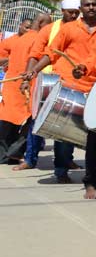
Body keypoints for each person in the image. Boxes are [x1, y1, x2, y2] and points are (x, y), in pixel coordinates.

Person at [30, 0, 96, 198]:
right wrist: (34, 70)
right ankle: (61, 170)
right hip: (70, 84)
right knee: (64, 132)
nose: (91, 7)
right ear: (81, 8)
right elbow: (52, 53)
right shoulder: (68, 29)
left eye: (95, 4)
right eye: (87, 5)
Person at [22, 0, 82, 182]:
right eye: (69, 12)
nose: (73, 15)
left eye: (75, 12)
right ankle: (30, 159)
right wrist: (29, 75)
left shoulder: (81, 29)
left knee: (67, 124)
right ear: (62, 11)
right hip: (46, 82)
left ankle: (65, 162)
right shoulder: (49, 30)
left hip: (72, 82)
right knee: (36, 121)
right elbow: (36, 54)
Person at [0, 15, 51, 163]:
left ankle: (6, 153)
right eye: (48, 25)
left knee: (8, 120)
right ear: (41, 23)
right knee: (33, 121)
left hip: (14, 85)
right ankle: (15, 151)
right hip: (27, 84)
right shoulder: (38, 40)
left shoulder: (21, 39)